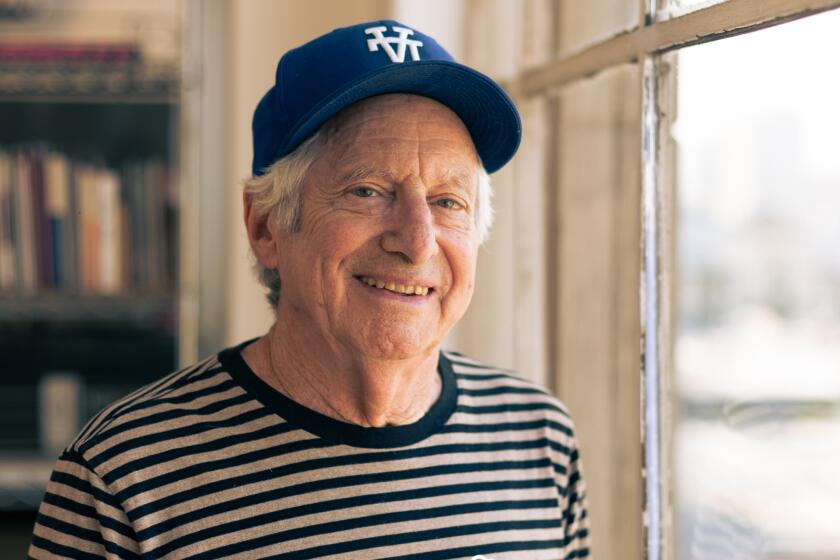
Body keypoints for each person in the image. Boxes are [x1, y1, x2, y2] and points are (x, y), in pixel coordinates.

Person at [28, 20, 590, 559]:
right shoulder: (122, 477)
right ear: (266, 227)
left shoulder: (537, 437)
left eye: (449, 202)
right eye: (367, 190)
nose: (417, 242)